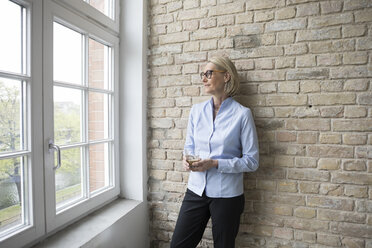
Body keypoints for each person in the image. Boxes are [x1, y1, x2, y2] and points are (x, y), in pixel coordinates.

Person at [170, 57, 259, 248]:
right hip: (195, 190)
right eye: (203, 74)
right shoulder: (196, 111)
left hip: (227, 195)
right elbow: (189, 147)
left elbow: (252, 161)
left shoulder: (242, 114)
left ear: (226, 76)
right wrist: (186, 160)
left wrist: (216, 163)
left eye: (209, 73)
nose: (204, 78)